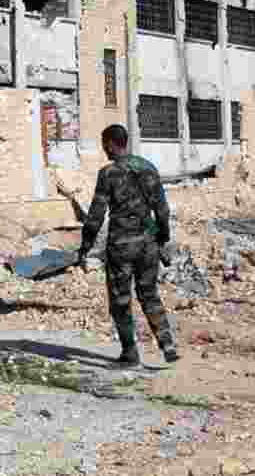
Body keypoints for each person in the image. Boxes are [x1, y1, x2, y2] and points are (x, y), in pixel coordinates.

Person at [77, 124, 179, 367]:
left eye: (105, 144)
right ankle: (168, 344)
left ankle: (130, 353)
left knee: (121, 300)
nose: (104, 149)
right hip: (148, 244)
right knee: (149, 294)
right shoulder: (148, 168)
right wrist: (162, 238)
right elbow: (162, 210)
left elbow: (96, 215)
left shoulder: (108, 174)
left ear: (112, 143)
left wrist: (85, 246)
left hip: (121, 247)